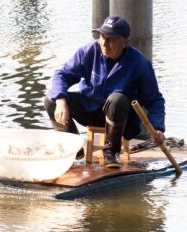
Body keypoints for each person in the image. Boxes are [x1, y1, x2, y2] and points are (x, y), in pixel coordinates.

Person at [44, 16, 166, 169]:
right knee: (51, 100)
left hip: (121, 118)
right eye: (102, 37)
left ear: (125, 42)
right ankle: (73, 149)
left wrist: (158, 128)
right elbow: (62, 74)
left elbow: (154, 100)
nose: (104, 43)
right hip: (90, 108)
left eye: (111, 39)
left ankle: (111, 152)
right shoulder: (88, 51)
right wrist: (61, 100)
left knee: (117, 99)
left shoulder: (139, 63)